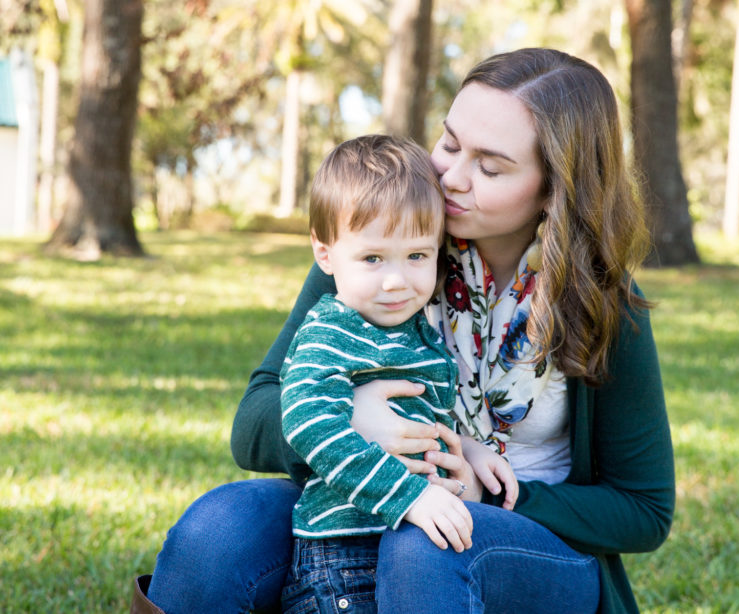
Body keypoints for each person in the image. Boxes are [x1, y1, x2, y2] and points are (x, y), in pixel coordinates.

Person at [132, 47, 675, 614]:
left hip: (526, 552)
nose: (452, 178)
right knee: (219, 527)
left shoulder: (603, 302)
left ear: (554, 188)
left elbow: (643, 509)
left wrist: (489, 490)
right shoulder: (385, 252)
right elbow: (254, 420)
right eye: (449, 144)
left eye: (490, 167)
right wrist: (354, 414)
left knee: (429, 542)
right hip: (360, 500)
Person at [279, 134, 498, 613]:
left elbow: (420, 414)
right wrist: (409, 498)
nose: (397, 280)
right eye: (373, 259)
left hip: (406, 542)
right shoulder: (331, 330)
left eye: (417, 256)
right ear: (325, 256)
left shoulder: (415, 330)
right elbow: (309, 424)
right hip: (345, 555)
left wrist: (468, 447)